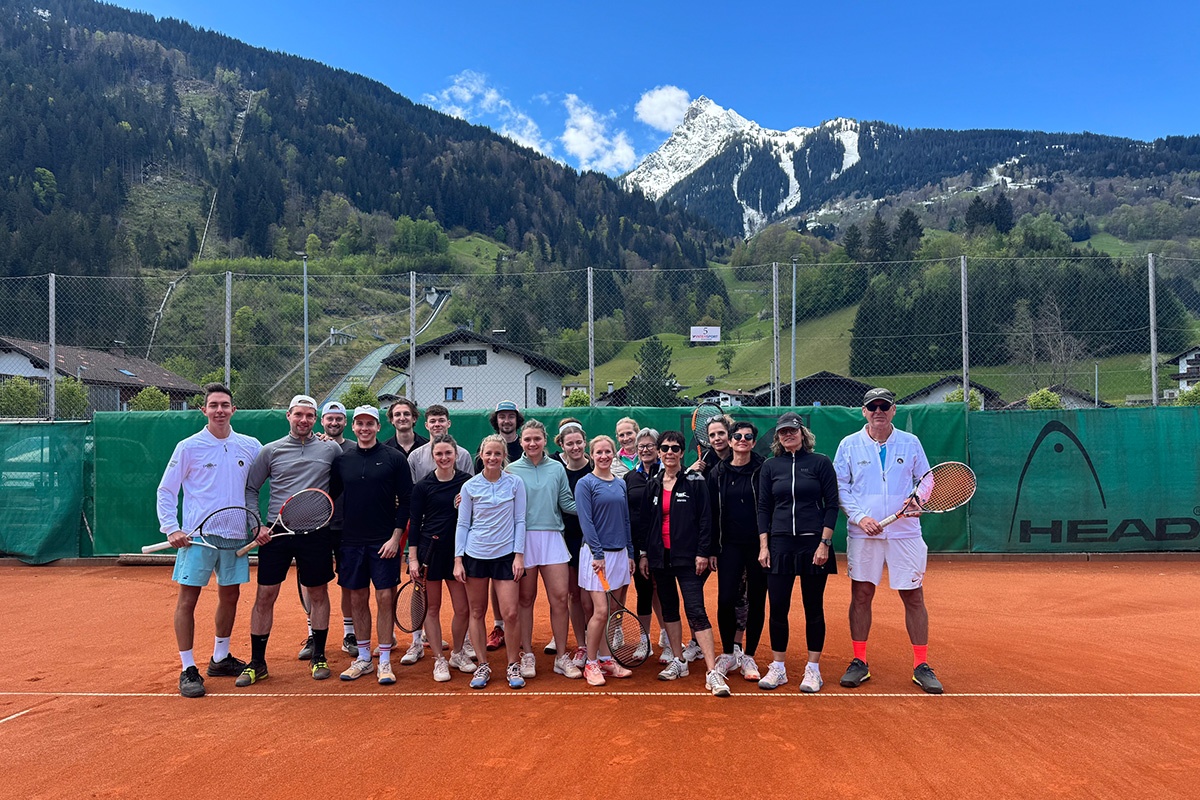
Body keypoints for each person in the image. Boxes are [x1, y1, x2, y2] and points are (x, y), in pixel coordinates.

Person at [156, 383, 262, 698]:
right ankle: (188, 667)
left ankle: (220, 658)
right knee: (188, 600)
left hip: (234, 536)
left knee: (230, 597)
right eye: (213, 405)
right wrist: (171, 528)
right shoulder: (188, 446)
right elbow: (166, 490)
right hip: (197, 538)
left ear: (233, 410)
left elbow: (277, 463)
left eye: (224, 405)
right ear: (204, 410)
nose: (219, 410)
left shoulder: (250, 445)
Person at [833, 388, 943, 694]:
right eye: (873, 406)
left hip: (905, 532)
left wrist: (918, 499)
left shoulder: (911, 443)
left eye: (885, 406)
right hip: (863, 533)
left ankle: (921, 665)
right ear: (864, 411)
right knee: (862, 595)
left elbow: (927, 479)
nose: (879, 411)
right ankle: (859, 661)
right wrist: (858, 517)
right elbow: (840, 485)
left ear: (893, 410)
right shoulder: (849, 445)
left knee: (914, 596)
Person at [238, 394, 343, 686]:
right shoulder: (270, 451)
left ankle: (318, 655)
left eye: (310, 416)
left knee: (318, 594)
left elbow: (340, 479)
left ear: (316, 419)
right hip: (275, 533)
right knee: (265, 596)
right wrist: (256, 525)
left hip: (316, 533)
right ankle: (257, 662)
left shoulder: (330, 449)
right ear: (288, 415)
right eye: (299, 414)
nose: (304, 420)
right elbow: (250, 488)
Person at [638, 430, 730, 697]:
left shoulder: (695, 481)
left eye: (675, 448)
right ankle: (679, 661)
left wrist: (703, 552)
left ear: (681, 453)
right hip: (659, 557)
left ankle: (713, 670)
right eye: (665, 448)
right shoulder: (653, 484)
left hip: (689, 558)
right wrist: (644, 554)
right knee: (669, 610)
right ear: (658, 451)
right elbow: (646, 523)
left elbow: (706, 519)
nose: (669, 452)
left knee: (696, 610)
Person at [755, 412, 839, 693]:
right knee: (778, 607)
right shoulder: (770, 467)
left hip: (813, 544)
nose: (788, 435)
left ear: (803, 433)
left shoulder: (820, 463)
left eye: (792, 430)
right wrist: (764, 546)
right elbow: (764, 507)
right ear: (777, 437)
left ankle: (813, 670)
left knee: (813, 607)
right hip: (780, 546)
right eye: (782, 432)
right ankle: (778, 667)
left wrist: (824, 543)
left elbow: (832, 505)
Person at [332, 406, 412, 685]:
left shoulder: (394, 459)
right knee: (356, 599)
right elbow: (331, 498)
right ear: (353, 427)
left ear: (379, 427)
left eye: (370, 424)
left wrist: (395, 537)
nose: (364, 428)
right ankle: (364, 658)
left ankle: (386, 661)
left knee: (384, 598)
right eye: (360, 424)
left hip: (384, 542)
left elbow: (407, 501)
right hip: (351, 542)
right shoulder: (342, 461)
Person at [396, 403, 474, 665]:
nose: (443, 457)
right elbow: (415, 523)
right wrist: (413, 558)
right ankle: (437, 657)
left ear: (455, 454)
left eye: (448, 453)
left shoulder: (466, 481)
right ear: (433, 453)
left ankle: (457, 653)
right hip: (429, 551)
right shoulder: (422, 483)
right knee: (431, 606)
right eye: (438, 454)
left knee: (463, 608)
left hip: (458, 552)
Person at [506, 419, 581, 680]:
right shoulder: (511, 469)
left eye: (537, 438)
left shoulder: (557, 469)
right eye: (527, 439)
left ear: (545, 440)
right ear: (521, 442)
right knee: (525, 600)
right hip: (523, 541)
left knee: (560, 598)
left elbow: (566, 502)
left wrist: (595, 507)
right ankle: (527, 654)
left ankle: (561, 656)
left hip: (552, 538)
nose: (532, 443)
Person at [454, 434, 527, 689]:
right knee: (476, 612)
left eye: (498, 454)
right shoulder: (469, 486)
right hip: (475, 555)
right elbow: (463, 524)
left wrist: (519, 555)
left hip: (506, 556)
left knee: (511, 613)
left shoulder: (515, 483)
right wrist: (458, 559)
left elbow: (520, 521)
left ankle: (513, 665)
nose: (493, 458)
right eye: (488, 454)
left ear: (504, 456)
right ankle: (483, 665)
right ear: (481, 456)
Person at [297, 401, 359, 662]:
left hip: (349, 526)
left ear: (346, 423)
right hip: (317, 526)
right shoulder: (315, 446)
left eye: (339, 419)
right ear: (322, 421)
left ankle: (349, 633)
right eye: (330, 419)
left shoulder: (356, 449)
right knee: (312, 583)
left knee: (348, 582)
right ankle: (313, 634)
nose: (334, 423)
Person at [709, 420, 768, 683]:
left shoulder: (764, 468)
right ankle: (728, 653)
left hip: (759, 545)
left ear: (753, 442)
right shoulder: (718, 472)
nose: (742, 440)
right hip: (728, 545)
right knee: (725, 599)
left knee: (757, 598)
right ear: (731, 441)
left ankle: (749, 655)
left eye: (748, 436)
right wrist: (711, 547)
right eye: (738, 436)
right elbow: (710, 512)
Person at [575, 435, 635, 686]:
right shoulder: (585, 483)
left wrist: (630, 552)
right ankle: (590, 664)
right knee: (600, 611)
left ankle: (605, 658)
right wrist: (598, 555)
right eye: (598, 452)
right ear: (592, 455)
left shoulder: (620, 483)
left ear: (614, 454)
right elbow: (586, 521)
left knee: (613, 612)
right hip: (595, 555)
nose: (604, 456)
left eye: (608, 451)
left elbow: (625, 520)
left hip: (620, 553)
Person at [474, 400, 525, 652]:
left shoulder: (527, 444)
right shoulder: (485, 448)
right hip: (488, 536)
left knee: (517, 594)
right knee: (494, 582)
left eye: (511, 416)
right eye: (502, 416)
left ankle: (521, 640)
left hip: (519, 528)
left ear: (517, 419)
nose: (506, 420)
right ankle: (498, 627)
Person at [623, 427, 670, 664]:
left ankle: (668, 638)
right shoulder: (630, 478)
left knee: (664, 591)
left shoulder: (670, 475)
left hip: (665, 546)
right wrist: (640, 552)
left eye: (651, 445)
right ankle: (645, 641)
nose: (645, 449)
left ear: (659, 449)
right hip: (639, 545)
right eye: (641, 446)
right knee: (644, 592)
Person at [548, 419, 592, 665]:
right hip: (567, 539)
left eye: (578, 442)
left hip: (593, 541)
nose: (575, 447)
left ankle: (598, 639)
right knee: (574, 596)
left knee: (590, 598)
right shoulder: (558, 472)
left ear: (584, 442)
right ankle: (582, 645)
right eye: (569, 443)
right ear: (562, 446)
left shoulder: (596, 467)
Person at [406, 404, 473, 483]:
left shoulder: (463, 455)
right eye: (432, 421)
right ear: (426, 425)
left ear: (449, 423)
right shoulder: (415, 456)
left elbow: (470, 487)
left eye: (441, 420)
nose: (437, 424)